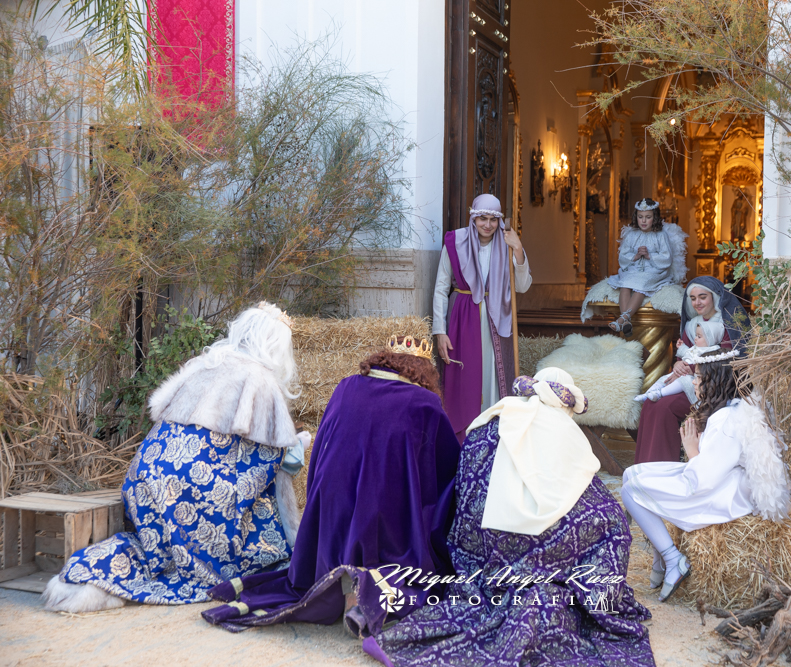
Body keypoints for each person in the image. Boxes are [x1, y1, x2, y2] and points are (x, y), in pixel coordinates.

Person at [365, 368, 656, 667]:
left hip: (480, 552)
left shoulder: (489, 420)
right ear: (566, 405)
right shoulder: (562, 431)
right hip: (539, 554)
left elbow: (464, 486)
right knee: (611, 525)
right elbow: (592, 502)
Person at [42, 303, 308, 612]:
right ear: (277, 347)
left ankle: (97, 576)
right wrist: (296, 447)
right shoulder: (262, 381)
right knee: (269, 539)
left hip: (145, 483)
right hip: (194, 493)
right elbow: (266, 464)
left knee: (155, 546)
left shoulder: (205, 363)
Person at [202, 336, 461, 635]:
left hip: (332, 508)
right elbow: (447, 469)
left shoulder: (346, 386)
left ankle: (346, 580)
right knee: (411, 507)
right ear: (422, 371)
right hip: (383, 522)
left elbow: (322, 447)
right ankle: (366, 592)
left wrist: (317, 501)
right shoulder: (424, 401)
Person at [621, 350, 791, 603]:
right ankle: (660, 556)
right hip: (724, 481)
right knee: (632, 473)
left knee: (631, 491)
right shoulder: (737, 408)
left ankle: (672, 558)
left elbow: (703, 479)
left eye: (699, 377)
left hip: (726, 495)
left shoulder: (725, 419)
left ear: (715, 381)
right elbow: (714, 465)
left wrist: (691, 450)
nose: (693, 382)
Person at [433, 193, 532, 437]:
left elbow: (522, 286)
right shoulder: (455, 242)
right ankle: (463, 438)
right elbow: (440, 288)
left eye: (493, 219)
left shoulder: (507, 244)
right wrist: (440, 331)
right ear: (473, 218)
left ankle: (493, 437)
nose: (487, 225)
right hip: (462, 320)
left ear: (500, 220)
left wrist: (518, 248)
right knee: (464, 379)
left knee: (493, 377)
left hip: (497, 320)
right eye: (482, 218)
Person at [633, 275, 750, 464]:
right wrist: (678, 365)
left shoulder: (729, 324)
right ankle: (646, 467)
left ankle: (663, 469)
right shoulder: (693, 323)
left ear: (715, 297)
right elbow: (685, 354)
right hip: (690, 383)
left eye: (702, 297)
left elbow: (729, 361)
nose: (697, 302)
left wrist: (693, 368)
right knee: (650, 404)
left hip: (714, 389)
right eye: (693, 298)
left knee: (664, 408)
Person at [606, 198, 687, 335]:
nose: (643, 221)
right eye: (640, 217)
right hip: (634, 269)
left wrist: (650, 256)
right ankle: (626, 322)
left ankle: (623, 319)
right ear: (636, 217)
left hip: (654, 270)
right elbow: (623, 255)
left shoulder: (661, 235)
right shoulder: (632, 235)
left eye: (648, 217)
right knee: (625, 284)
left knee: (640, 285)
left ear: (654, 218)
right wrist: (636, 255)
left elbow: (667, 257)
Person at [634, 320, 726, 404]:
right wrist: (681, 347)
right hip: (680, 373)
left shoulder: (712, 351)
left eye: (699, 336)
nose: (695, 339)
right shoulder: (695, 348)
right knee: (663, 379)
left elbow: (707, 364)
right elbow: (686, 352)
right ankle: (647, 394)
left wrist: (688, 368)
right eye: (696, 335)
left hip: (691, 377)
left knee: (681, 382)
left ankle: (660, 393)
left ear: (710, 339)